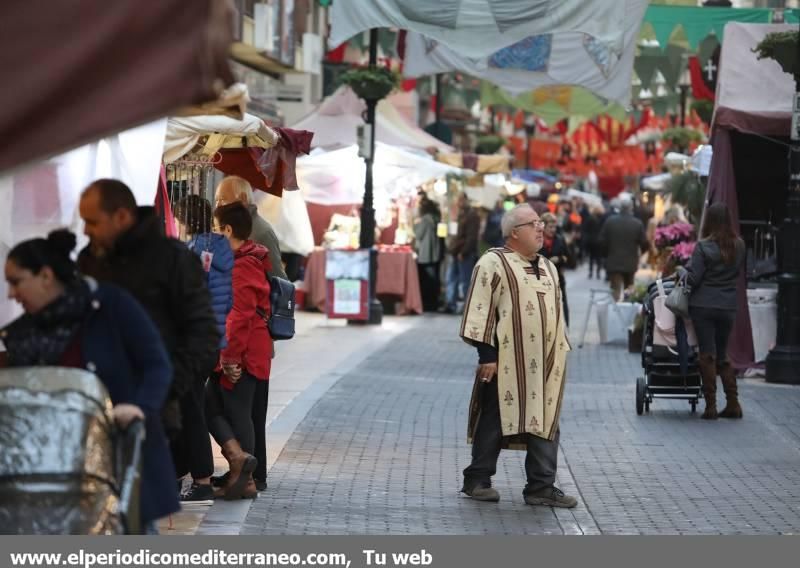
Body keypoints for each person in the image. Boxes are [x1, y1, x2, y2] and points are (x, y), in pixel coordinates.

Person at [1, 230, 179, 532]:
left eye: (16, 281)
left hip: (116, 464)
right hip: (50, 476)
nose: (10, 294)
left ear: (45, 275)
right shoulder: (20, 334)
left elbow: (157, 364)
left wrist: (139, 407)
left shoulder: (110, 305)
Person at [76, 179, 220, 455]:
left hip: (152, 410)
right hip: (94, 405)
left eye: (92, 222)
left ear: (121, 217)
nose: (85, 230)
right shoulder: (89, 260)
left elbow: (204, 334)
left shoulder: (172, 259)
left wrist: (163, 390)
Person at [458, 204, 577, 509]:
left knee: (546, 420)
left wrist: (561, 348)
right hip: (506, 362)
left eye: (541, 223)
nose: (541, 228)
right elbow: (479, 308)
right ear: (514, 232)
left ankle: (541, 486)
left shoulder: (549, 266)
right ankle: (477, 480)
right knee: (495, 419)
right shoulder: (492, 263)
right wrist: (488, 355)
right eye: (533, 223)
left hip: (546, 365)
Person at [206, 202, 273, 499]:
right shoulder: (248, 257)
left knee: (237, 411)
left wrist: (230, 357)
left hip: (244, 352)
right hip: (248, 349)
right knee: (215, 405)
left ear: (228, 230)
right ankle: (241, 467)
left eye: (215, 228)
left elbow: (239, 315)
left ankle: (243, 479)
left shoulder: (241, 264)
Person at [172, 195, 234, 502]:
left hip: (194, 342)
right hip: (212, 341)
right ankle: (183, 473)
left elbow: (186, 299)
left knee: (190, 410)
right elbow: (228, 300)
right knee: (189, 406)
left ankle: (201, 479)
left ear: (183, 220)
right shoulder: (223, 248)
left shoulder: (194, 252)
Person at [682, 203, 745, 420]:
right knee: (723, 354)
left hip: (704, 306)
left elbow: (694, 278)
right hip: (728, 306)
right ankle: (733, 403)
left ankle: (710, 406)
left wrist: (682, 272)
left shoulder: (703, 247)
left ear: (709, 221)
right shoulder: (739, 245)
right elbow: (738, 273)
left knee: (707, 354)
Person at [214, 176, 286, 280]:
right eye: (216, 200)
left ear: (243, 199)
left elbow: (277, 279)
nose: (218, 206)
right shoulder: (232, 228)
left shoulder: (260, 232)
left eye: (223, 199)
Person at [597, 198, 649, 301]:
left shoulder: (610, 221)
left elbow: (601, 241)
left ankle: (615, 311)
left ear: (620, 208)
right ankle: (627, 313)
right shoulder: (637, 223)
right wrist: (639, 254)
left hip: (613, 261)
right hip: (630, 262)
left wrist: (606, 254)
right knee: (629, 290)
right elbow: (644, 243)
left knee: (615, 290)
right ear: (631, 208)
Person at [443, 193, 480, 313]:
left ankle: (467, 306)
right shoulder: (460, 215)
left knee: (465, 280)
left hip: (464, 253)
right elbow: (455, 235)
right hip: (455, 252)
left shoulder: (472, 216)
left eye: (460, 200)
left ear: (465, 200)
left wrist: (464, 251)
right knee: (451, 278)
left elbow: (471, 237)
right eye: (457, 200)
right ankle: (451, 304)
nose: (459, 203)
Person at [540, 213, 571, 327]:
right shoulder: (536, 241)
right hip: (541, 279)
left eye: (555, 227)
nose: (553, 230)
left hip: (558, 278)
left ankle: (565, 329)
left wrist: (559, 259)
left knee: (561, 304)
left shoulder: (560, 239)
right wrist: (548, 261)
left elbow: (569, 258)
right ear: (543, 227)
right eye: (550, 227)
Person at [413, 196, 443, 312]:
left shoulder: (425, 220)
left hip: (426, 254)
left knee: (426, 280)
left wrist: (415, 224)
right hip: (435, 253)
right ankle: (434, 302)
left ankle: (427, 303)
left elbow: (418, 234)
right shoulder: (437, 218)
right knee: (434, 279)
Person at [582, 205, 605, 279]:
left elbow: (585, 228)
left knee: (591, 257)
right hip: (599, 240)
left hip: (591, 240)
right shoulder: (602, 218)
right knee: (598, 257)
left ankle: (591, 272)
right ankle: (598, 273)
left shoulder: (590, 218)